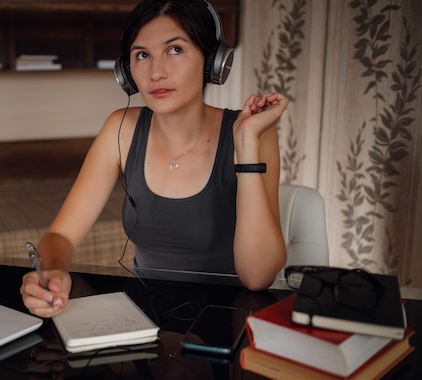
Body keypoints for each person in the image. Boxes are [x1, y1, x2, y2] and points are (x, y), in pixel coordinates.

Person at [21, 0, 288, 318]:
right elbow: (60, 236)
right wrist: (52, 272)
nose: (156, 72)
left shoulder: (254, 133)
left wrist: (245, 143)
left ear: (211, 62)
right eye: (142, 55)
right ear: (127, 71)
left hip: (226, 323)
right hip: (141, 321)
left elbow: (257, 278)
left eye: (175, 50)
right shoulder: (120, 129)